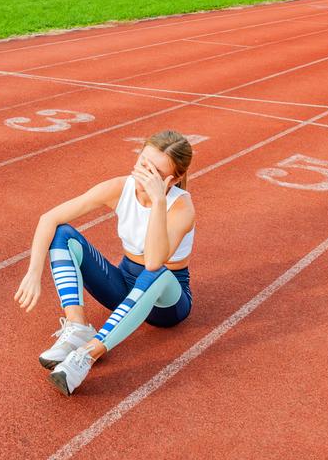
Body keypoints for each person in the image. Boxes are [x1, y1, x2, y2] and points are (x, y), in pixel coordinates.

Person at [14, 130, 195, 396]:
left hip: (167, 302)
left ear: (174, 178)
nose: (145, 173)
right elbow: (49, 219)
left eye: (155, 171)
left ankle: (87, 355)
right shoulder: (120, 188)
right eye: (143, 162)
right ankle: (77, 328)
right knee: (63, 234)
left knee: (154, 272)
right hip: (124, 286)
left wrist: (158, 201)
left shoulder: (181, 208)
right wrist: (33, 272)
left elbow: (155, 261)